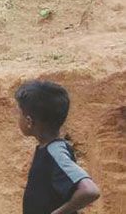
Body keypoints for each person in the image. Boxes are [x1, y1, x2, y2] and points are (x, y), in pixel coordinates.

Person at [16, 80, 101, 214]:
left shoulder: (55, 151)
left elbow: (90, 191)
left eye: (19, 113)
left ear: (29, 121)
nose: (17, 118)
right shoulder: (47, 149)